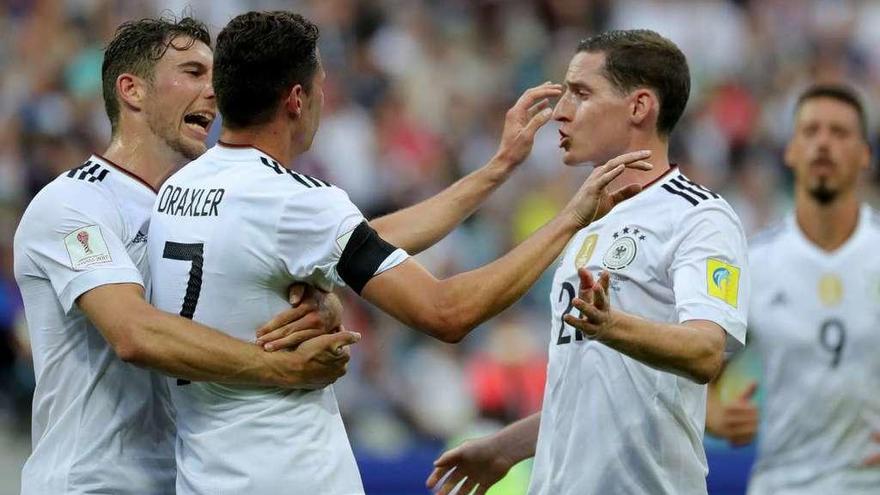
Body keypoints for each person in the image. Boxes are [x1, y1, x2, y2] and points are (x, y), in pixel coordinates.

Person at [147, 11, 652, 495]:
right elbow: (447, 312)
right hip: (291, 472)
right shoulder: (295, 203)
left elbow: (354, 240)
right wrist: (570, 218)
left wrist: (497, 169)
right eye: (322, 87)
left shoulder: (177, 190)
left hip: (204, 476)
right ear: (297, 99)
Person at [12, 17, 353, 495]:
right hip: (90, 484)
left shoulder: (189, 205)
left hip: (180, 480)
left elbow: (345, 242)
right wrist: (281, 369)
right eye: (193, 73)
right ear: (131, 90)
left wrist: (321, 297)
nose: (213, 91)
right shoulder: (72, 205)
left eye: (214, 75)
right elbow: (133, 333)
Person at [427, 29, 749, 495]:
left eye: (581, 93)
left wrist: (612, 326)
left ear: (639, 107)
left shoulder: (699, 216)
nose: (560, 111)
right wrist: (507, 446)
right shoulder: (589, 222)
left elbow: (705, 351)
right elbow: (594, 385)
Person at [706, 84, 880, 494]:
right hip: (783, 482)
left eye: (839, 133)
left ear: (865, 156)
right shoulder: (754, 263)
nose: (824, 143)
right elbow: (697, 374)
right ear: (790, 151)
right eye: (811, 131)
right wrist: (712, 416)